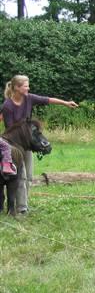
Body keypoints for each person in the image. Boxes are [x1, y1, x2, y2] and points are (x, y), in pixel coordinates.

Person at [1, 75, 78, 213]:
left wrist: (66, 103)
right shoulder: (8, 106)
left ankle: (23, 203)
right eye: (25, 86)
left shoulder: (29, 98)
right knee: (20, 176)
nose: (28, 88)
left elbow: (47, 99)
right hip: (13, 146)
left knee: (29, 176)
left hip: (28, 144)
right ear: (17, 88)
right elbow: (10, 128)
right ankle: (21, 208)